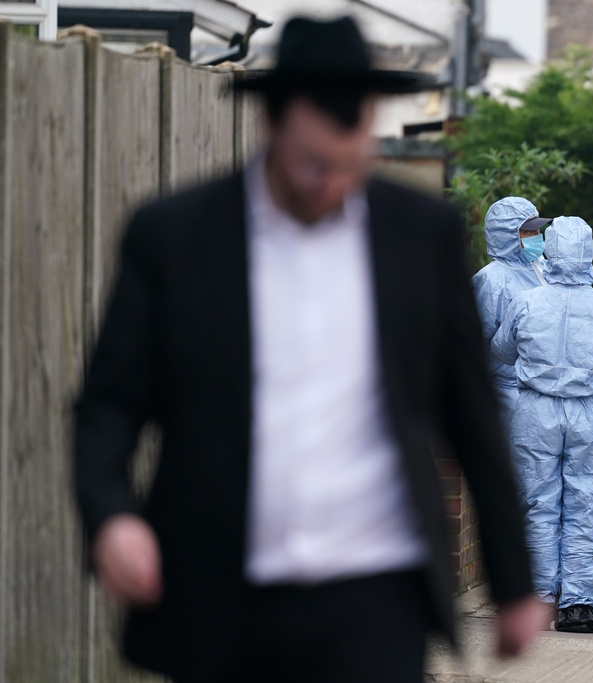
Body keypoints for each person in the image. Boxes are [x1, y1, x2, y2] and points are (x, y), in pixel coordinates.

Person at [73, 16, 547, 683]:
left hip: (376, 593)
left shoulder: (420, 237)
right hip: (220, 591)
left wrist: (514, 582)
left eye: (348, 165)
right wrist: (111, 515)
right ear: (269, 123)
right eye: (311, 165)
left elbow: (471, 410)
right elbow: (107, 406)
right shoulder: (174, 239)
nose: (330, 184)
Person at [492, 216, 593, 634]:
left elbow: (503, 349)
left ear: (550, 252)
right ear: (589, 253)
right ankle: (580, 602)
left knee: (537, 503)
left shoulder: (528, 301)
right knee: (586, 503)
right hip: (589, 410)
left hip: (535, 410)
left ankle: (538, 598)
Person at [472, 197, 551, 426]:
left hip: (545, 394)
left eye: (537, 230)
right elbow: (476, 344)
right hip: (507, 396)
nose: (537, 237)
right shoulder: (491, 280)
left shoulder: (544, 268)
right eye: (528, 231)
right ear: (506, 236)